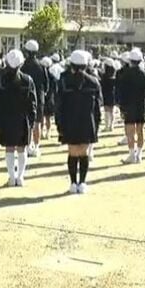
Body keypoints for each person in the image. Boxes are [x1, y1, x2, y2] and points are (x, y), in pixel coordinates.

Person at [56, 50, 101, 194]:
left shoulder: (64, 82)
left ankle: (72, 183)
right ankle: (82, 182)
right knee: (83, 152)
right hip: (88, 121)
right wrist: (97, 125)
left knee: (72, 152)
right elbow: (97, 108)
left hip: (69, 121)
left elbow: (59, 106)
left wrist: (59, 125)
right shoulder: (94, 82)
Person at [0, 49, 36, 186]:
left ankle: (12, 178)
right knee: (22, 148)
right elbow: (32, 103)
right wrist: (32, 120)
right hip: (23, 119)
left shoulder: (1, 80)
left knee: (9, 148)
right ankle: (21, 177)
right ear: (21, 63)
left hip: (6, 119)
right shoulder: (28, 80)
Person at [115, 49, 145, 164]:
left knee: (130, 131)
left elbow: (120, 92)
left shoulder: (124, 75)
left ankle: (131, 155)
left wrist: (121, 106)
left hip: (128, 105)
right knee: (140, 130)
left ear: (130, 60)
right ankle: (139, 154)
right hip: (141, 105)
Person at [20, 40, 50, 157]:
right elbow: (46, 84)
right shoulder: (42, 66)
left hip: (26, 97)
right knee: (37, 122)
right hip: (39, 96)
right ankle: (37, 147)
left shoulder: (23, 66)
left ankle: (28, 146)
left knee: (27, 123)